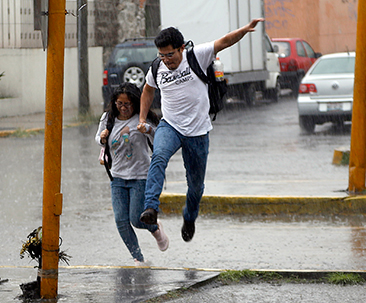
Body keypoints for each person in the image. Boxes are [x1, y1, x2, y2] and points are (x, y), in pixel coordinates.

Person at [138, 19, 264, 242]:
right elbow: (148, 90)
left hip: (197, 131)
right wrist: (141, 117)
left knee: (195, 186)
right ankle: (151, 209)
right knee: (158, 157)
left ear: (181, 48)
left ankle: (189, 217)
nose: (166, 60)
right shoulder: (157, 67)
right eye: (162, 55)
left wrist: (244, 30)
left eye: (170, 55)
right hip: (171, 126)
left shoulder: (197, 55)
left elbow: (225, 41)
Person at [96, 82, 169, 266]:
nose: (123, 108)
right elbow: (99, 138)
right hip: (117, 177)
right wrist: (102, 137)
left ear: (135, 103)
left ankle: (155, 228)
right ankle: (138, 258)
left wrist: (148, 129)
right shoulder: (108, 118)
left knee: (137, 219)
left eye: (127, 104)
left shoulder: (141, 118)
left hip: (140, 176)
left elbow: (158, 138)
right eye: (119, 104)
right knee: (121, 221)